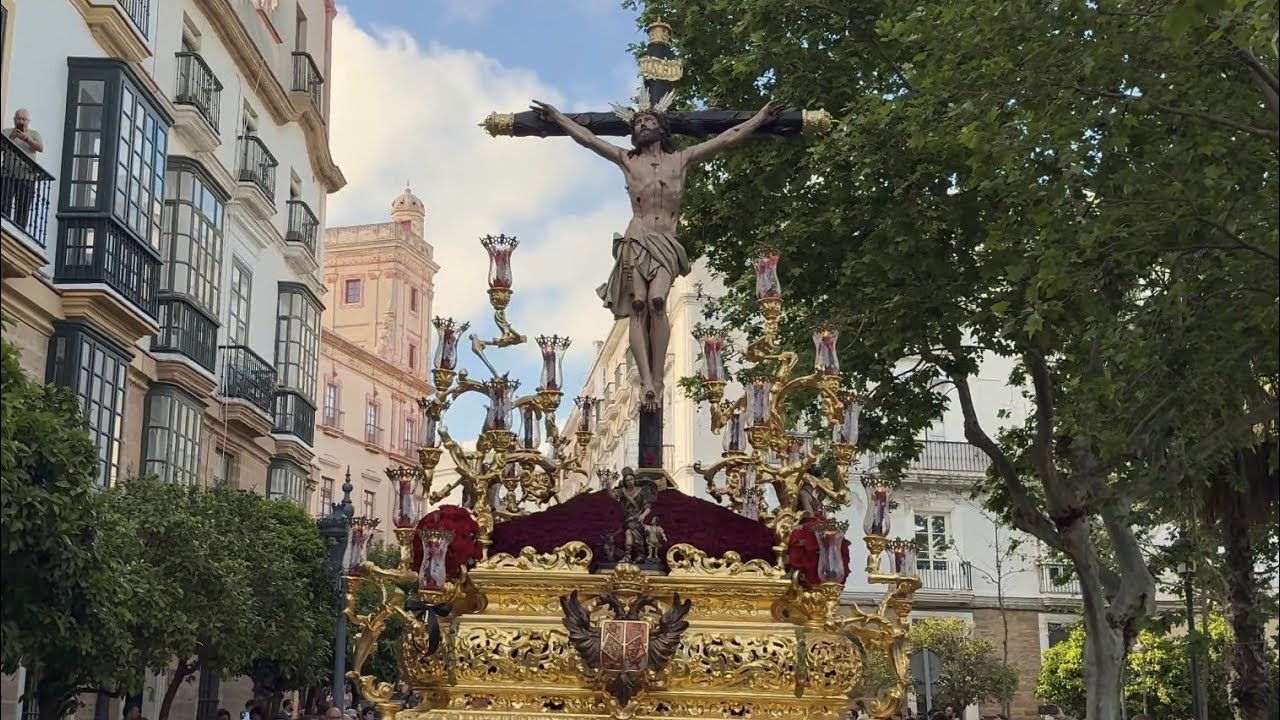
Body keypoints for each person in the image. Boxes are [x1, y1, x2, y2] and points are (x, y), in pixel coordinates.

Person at [532, 96, 782, 412]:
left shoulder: (681, 159)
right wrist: (558, 118)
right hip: (636, 238)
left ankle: (659, 380)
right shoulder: (627, 159)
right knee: (638, 304)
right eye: (637, 122)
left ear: (661, 127)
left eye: (648, 120)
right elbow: (589, 140)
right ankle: (647, 381)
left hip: (665, 240)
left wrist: (759, 118)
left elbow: (726, 138)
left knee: (657, 301)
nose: (642, 124)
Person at [1, 108, 44, 230]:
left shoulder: (34, 134)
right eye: (18, 118)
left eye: (23, 119)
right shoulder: (6, 132)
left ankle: (19, 232)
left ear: (28, 121)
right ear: (14, 119)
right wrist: (12, 137)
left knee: (23, 207)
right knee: (4, 204)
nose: (21, 121)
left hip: (27, 176)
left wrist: (26, 139)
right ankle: (5, 229)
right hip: (7, 175)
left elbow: (40, 148)